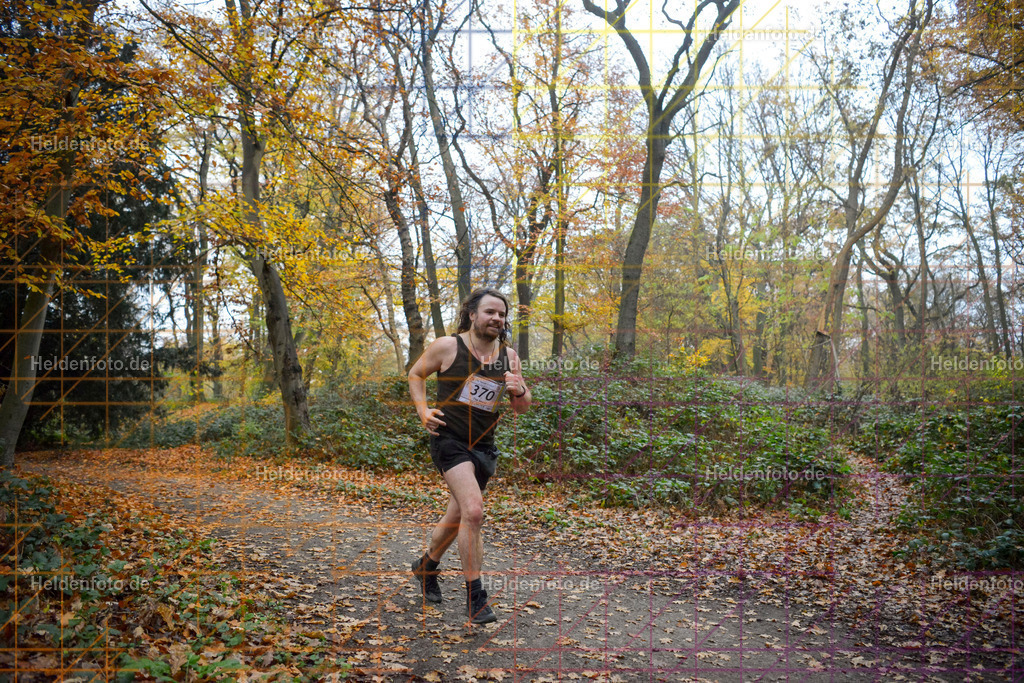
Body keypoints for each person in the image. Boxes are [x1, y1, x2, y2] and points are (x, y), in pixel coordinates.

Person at [407, 288, 532, 624]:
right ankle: (476, 597)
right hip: (449, 440)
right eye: (490, 312)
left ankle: (426, 566)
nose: (497, 319)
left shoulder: (509, 355)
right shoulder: (449, 346)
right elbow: (416, 375)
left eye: (502, 314)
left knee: (458, 517)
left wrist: (519, 389)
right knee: (474, 511)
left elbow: (521, 407)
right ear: (473, 314)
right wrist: (423, 411)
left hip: (483, 446)